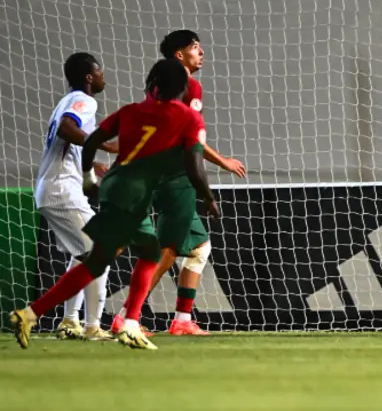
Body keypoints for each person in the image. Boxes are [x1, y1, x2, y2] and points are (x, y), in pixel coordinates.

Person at [10, 59, 218, 350]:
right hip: (135, 191)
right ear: (183, 88)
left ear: (153, 84)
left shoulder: (130, 111)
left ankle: (34, 315)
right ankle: (120, 323)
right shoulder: (188, 118)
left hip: (114, 186)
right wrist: (208, 198)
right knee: (120, 257)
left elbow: (92, 141)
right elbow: (195, 166)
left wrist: (88, 177)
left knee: (128, 255)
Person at [111, 30, 245, 336]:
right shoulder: (190, 86)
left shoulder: (158, 87)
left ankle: (182, 319)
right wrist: (221, 163)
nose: (201, 52)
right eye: (195, 47)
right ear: (179, 55)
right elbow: (191, 139)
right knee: (168, 249)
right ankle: (125, 316)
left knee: (199, 247)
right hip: (174, 175)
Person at [33, 53, 119, 341]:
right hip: (61, 189)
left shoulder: (66, 101)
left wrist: (93, 165)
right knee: (100, 251)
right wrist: (106, 145)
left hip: (54, 188)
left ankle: (70, 321)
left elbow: (67, 142)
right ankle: (92, 326)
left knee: (83, 255)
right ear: (89, 77)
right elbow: (66, 128)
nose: (103, 76)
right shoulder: (85, 100)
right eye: (100, 71)